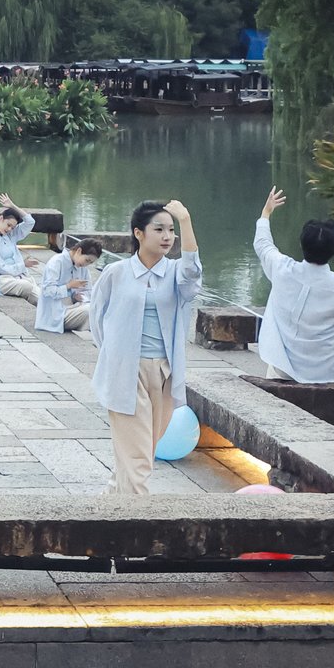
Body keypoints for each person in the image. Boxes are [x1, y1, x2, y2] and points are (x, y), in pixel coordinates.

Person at [88, 200, 202, 494]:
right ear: (139, 233)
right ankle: (138, 518)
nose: (167, 237)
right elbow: (97, 318)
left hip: (163, 374)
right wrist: (115, 356)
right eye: (159, 229)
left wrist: (186, 220)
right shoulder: (116, 273)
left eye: (171, 230)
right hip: (126, 372)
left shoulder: (175, 274)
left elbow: (192, 273)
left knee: (141, 451)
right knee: (137, 459)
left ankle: (109, 509)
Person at [253, 188, 334, 383]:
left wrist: (266, 213)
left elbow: (262, 244)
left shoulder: (281, 269)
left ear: (302, 244)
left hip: (283, 370)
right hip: (329, 373)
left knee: (274, 371)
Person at [0, 193, 39, 303]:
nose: (9, 229)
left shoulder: (11, 235)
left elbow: (30, 222)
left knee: (44, 297)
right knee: (27, 286)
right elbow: (0, 268)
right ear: (1, 219)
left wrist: (12, 206)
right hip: (1, 280)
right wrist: (23, 265)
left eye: (12, 227)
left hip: (19, 277)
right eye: (8, 225)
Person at [36, 239, 103, 333]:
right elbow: (48, 291)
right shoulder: (57, 262)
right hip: (55, 313)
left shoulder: (83, 269)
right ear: (79, 251)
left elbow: (89, 292)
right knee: (90, 310)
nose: (86, 264)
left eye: (90, 263)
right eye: (87, 260)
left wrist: (79, 297)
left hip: (73, 308)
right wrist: (68, 286)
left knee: (99, 307)